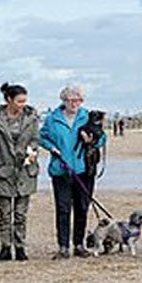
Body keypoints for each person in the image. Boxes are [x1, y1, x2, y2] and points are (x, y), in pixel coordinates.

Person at [39, 85, 106, 259]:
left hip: (84, 169)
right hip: (61, 169)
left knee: (82, 207)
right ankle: (63, 246)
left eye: (78, 100)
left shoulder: (88, 116)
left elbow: (102, 137)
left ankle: (79, 244)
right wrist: (52, 147)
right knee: (63, 209)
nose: (74, 103)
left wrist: (92, 141)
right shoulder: (52, 119)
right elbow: (42, 136)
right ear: (63, 100)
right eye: (71, 100)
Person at [0, 82, 41, 262]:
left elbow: (35, 139)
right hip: (3, 172)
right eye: (19, 101)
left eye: (25, 101)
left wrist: (32, 151)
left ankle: (20, 247)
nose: (23, 104)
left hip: (25, 171)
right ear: (9, 100)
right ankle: (5, 247)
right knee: (5, 213)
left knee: (21, 214)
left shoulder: (31, 119)